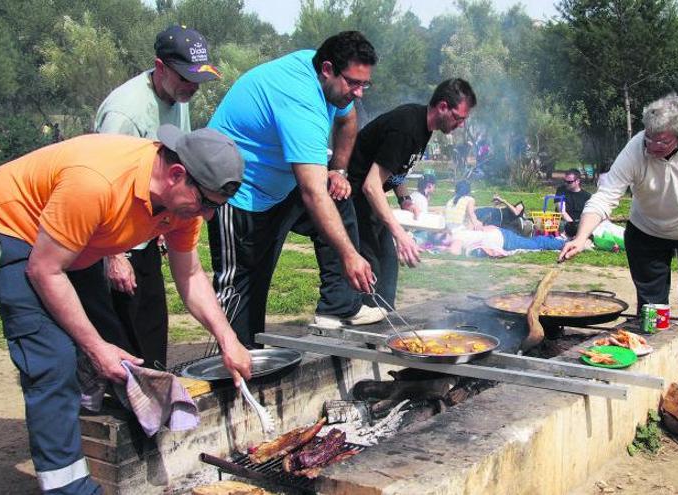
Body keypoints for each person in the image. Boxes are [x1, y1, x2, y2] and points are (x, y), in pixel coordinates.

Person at [0, 127, 252, 494]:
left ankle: (84, 432)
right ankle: (68, 485)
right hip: (10, 228)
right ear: (176, 175)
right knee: (53, 358)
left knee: (109, 341)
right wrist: (93, 348)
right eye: (206, 204)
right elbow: (44, 269)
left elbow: (189, 273)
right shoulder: (97, 183)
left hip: (75, 240)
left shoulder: (185, 204)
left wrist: (228, 339)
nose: (209, 215)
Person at [208, 31, 380, 341]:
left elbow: (348, 120)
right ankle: (231, 369)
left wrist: (338, 169)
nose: (358, 93)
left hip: (278, 188)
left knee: (338, 199)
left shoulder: (329, 83)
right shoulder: (300, 99)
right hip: (237, 193)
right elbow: (312, 192)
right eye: (353, 83)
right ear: (327, 69)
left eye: (364, 84)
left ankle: (338, 306)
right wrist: (350, 256)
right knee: (242, 288)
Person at [559, 94, 678, 376]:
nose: (653, 145)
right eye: (650, 137)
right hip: (647, 230)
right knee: (651, 302)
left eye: (662, 141)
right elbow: (606, 196)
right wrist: (581, 236)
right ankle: (653, 353)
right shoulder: (636, 149)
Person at [74, 25, 221, 370]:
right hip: (111, 239)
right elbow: (100, 183)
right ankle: (119, 407)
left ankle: (152, 394)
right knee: (123, 334)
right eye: (186, 78)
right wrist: (114, 257)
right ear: (160, 66)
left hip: (146, 230)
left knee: (152, 326)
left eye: (197, 79)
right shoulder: (125, 113)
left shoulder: (178, 97)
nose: (193, 87)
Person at [346, 78, 477, 308]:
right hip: (353, 201)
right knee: (371, 269)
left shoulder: (424, 127)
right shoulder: (406, 128)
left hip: (369, 203)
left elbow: (396, 168)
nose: (461, 125)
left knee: (388, 266)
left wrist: (404, 199)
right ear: (443, 106)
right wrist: (401, 235)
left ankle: (383, 324)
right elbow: (371, 186)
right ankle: (360, 327)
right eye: (459, 118)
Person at [437, 225, 564, 257]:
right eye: (439, 241)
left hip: (504, 240)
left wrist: (443, 248)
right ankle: (557, 241)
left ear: (448, 233)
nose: (443, 242)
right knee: (532, 242)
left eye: (443, 238)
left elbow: (455, 252)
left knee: (536, 244)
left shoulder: (456, 238)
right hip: (501, 235)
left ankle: (563, 244)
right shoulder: (457, 231)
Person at [554, 168, 592, 237]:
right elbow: (561, 211)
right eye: (565, 181)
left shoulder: (587, 196)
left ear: (577, 181)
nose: (566, 183)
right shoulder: (561, 190)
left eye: (569, 182)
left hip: (579, 223)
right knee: (561, 225)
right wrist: (573, 225)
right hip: (565, 222)